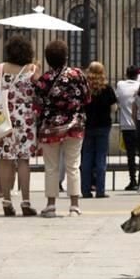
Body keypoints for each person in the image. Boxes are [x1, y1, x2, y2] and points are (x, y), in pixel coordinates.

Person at [35, 40, 90, 216]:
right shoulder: (77, 74)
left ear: (48, 59)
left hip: (50, 128)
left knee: (51, 167)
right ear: (66, 56)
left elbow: (38, 105)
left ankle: (51, 205)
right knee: (73, 165)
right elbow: (87, 98)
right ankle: (74, 205)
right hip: (74, 125)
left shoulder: (44, 80)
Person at [0, 35, 40, 216]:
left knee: (5, 160)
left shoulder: (0, 68)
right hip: (25, 119)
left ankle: (6, 201)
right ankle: (26, 201)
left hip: (4, 116)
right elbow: (38, 88)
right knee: (23, 160)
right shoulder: (32, 68)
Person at [81, 61, 115, 198]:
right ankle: (100, 190)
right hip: (103, 125)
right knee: (101, 158)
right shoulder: (107, 88)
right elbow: (114, 108)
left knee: (86, 158)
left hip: (87, 125)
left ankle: (85, 190)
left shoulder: (84, 88)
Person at [115, 65, 140, 191]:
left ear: (126, 74)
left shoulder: (120, 85)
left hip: (126, 126)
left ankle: (133, 180)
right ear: (137, 75)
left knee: (130, 156)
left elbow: (117, 100)